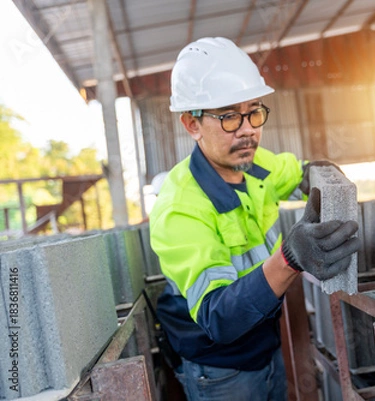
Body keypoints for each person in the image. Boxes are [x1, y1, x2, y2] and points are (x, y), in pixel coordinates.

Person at [149, 37, 360, 401]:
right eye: (229, 115)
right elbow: (219, 318)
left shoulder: (251, 162)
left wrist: (318, 174)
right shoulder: (180, 209)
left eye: (254, 111)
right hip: (219, 368)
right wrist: (290, 259)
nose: (247, 129)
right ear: (191, 124)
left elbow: (294, 173)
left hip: (265, 343)